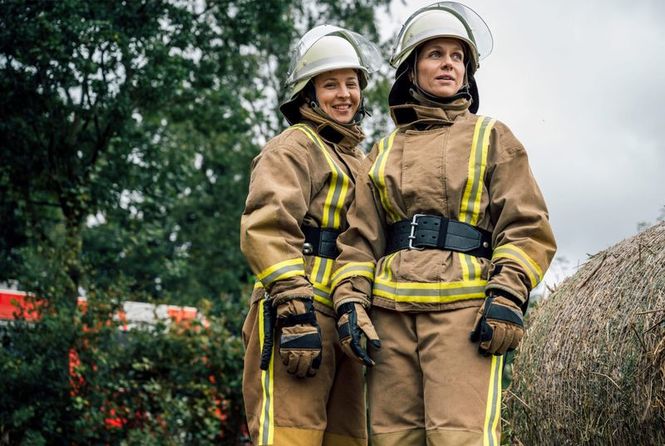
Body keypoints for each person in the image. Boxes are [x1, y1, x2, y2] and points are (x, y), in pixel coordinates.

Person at [330, 3, 557, 445]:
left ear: (467, 72)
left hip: (464, 315)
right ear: (412, 69)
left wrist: (508, 295)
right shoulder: (383, 150)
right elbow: (359, 239)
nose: (448, 64)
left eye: (457, 57)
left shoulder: (493, 136)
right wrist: (351, 304)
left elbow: (526, 226)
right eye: (435, 54)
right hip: (389, 317)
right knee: (393, 439)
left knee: (461, 438)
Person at [239, 25, 381, 446]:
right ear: (307, 93)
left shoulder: (358, 161)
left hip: (343, 318)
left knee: (347, 438)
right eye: (330, 84)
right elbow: (266, 225)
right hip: (296, 315)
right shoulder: (293, 147)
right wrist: (294, 309)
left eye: (351, 84)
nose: (344, 95)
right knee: (290, 436)